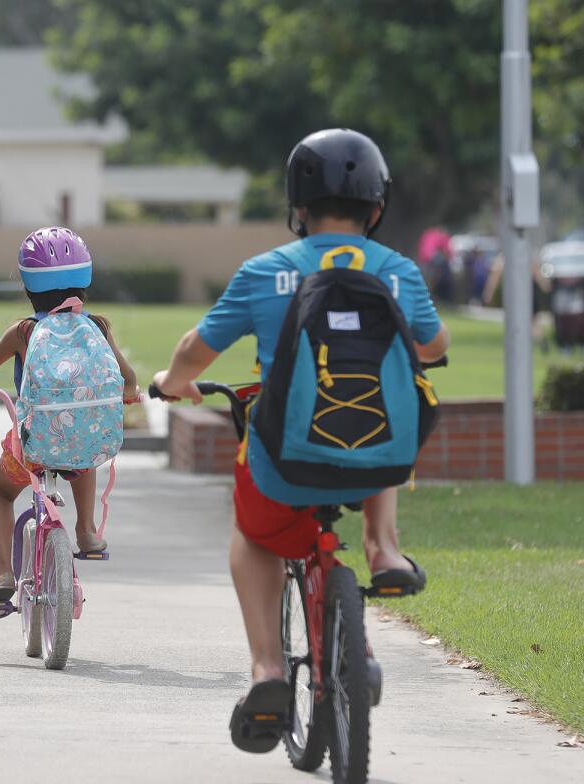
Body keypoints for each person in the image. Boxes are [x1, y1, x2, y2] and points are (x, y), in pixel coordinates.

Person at [152, 129, 449, 752]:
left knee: (252, 534)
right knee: (386, 419)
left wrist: (173, 383)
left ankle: (267, 672)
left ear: (298, 207)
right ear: (376, 207)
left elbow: (193, 350)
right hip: (379, 463)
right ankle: (384, 548)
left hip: (285, 461)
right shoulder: (399, 272)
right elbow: (434, 346)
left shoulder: (265, 273)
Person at [0, 227, 139, 616]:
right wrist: (130, 392)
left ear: (28, 285)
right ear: (85, 279)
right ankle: (86, 531)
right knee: (83, 449)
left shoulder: (25, 331)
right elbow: (127, 376)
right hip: (84, 443)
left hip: (33, 446)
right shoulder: (98, 327)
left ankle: (4, 573)